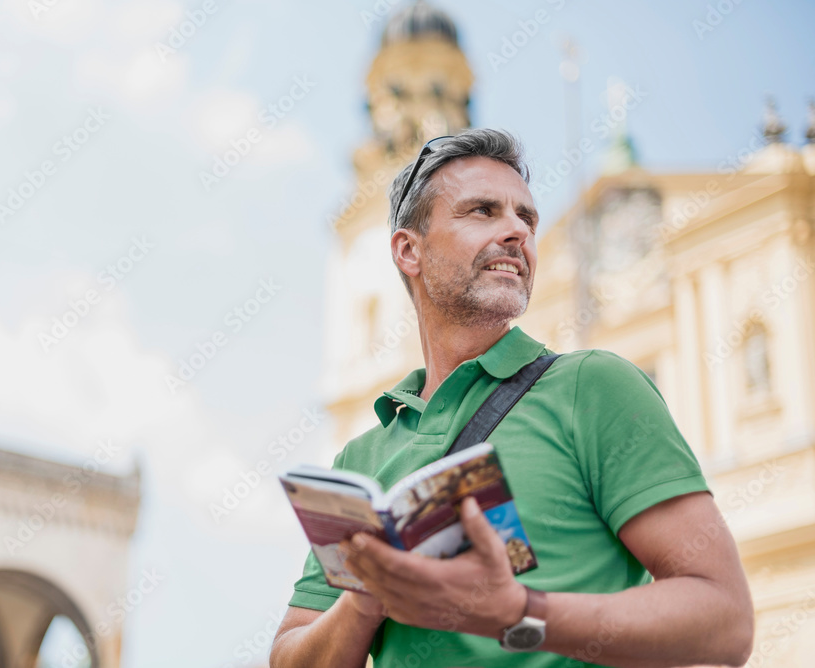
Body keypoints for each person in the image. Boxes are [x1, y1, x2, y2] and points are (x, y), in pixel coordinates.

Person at [270, 129, 754, 668]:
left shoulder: (593, 386)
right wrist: (368, 595)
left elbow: (724, 621)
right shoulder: (358, 460)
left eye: (527, 219)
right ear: (409, 251)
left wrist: (520, 612)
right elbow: (290, 656)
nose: (516, 232)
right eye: (482, 211)